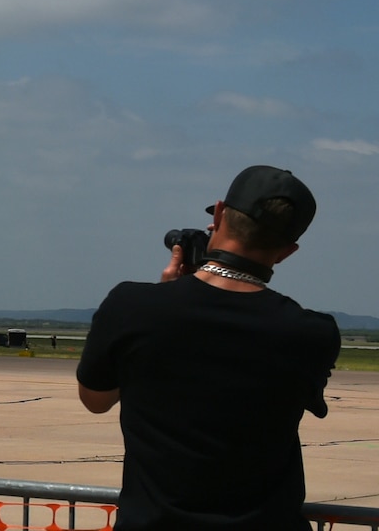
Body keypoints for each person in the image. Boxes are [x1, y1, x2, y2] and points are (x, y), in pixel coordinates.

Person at [77, 165, 340, 530]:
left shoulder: (130, 306)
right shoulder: (312, 333)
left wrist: (166, 299)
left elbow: (96, 400)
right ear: (287, 251)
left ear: (218, 214)